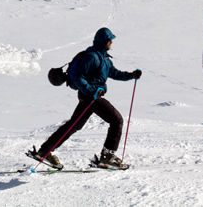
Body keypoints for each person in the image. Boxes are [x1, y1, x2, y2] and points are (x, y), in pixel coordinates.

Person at [27, 27, 141, 170]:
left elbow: (113, 73)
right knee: (116, 120)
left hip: (90, 96)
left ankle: (45, 150)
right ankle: (107, 157)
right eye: (109, 39)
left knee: (74, 125)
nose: (112, 41)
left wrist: (131, 75)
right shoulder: (92, 57)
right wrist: (92, 90)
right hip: (91, 97)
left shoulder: (104, 58)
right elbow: (77, 76)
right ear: (103, 41)